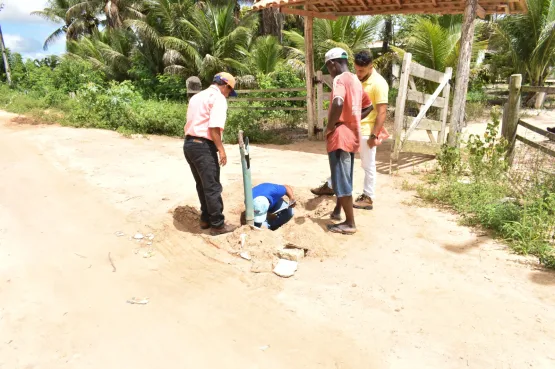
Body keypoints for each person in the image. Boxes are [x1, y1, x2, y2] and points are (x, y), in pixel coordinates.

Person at [311, 49, 390, 213]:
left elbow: (381, 111)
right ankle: (332, 188)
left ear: (371, 66)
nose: (359, 73)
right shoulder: (354, 79)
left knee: (366, 165)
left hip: (366, 130)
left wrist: (374, 134)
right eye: (357, 69)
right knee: (344, 167)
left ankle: (367, 197)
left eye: (362, 70)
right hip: (351, 130)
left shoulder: (379, 83)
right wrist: (350, 119)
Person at [324, 47, 372, 235]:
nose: (330, 71)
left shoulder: (340, 79)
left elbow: (337, 103)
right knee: (343, 176)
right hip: (352, 135)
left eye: (328, 67)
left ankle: (350, 222)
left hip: (340, 136)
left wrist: (330, 126)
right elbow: (368, 106)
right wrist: (353, 118)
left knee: (341, 180)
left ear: (332, 63)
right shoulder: (356, 81)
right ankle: (337, 211)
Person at [183, 72, 237, 236]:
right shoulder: (218, 98)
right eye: (229, 91)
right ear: (226, 86)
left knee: (202, 184)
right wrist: (221, 150)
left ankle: (205, 219)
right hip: (203, 146)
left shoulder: (196, 97)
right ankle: (218, 225)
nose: (228, 95)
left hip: (189, 145)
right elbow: (213, 129)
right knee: (212, 186)